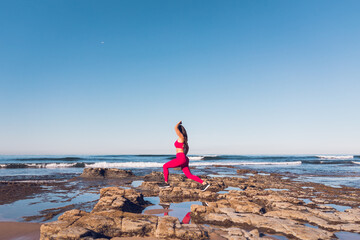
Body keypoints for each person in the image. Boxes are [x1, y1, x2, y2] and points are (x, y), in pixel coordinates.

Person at [162, 121, 210, 191]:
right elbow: (187, 149)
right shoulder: (185, 141)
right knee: (189, 175)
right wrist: (183, 156)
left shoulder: (181, 137)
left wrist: (178, 123)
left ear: (180, 131)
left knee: (165, 166)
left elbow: (175, 128)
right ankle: (204, 183)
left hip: (181, 158)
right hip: (184, 158)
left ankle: (166, 183)